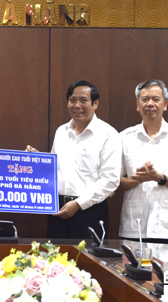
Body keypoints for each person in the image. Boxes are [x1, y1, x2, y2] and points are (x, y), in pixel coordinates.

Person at [28, 80, 121, 240]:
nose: (77, 105)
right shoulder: (61, 131)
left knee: (87, 262)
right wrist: (40, 160)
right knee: (54, 261)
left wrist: (78, 204)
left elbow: (111, 180)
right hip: (57, 209)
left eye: (83, 100)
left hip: (89, 211)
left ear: (95, 103)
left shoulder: (108, 134)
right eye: (72, 100)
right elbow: (55, 170)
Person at [118, 79, 168, 244]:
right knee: (130, 270)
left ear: (165, 104)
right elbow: (114, 181)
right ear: (137, 105)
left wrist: (160, 178)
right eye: (145, 99)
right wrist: (136, 180)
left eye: (156, 99)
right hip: (133, 227)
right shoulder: (124, 138)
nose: (150, 104)